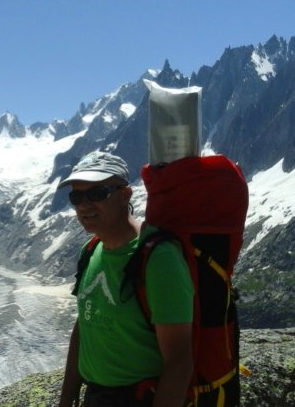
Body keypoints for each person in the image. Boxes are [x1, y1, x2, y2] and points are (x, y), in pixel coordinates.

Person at [57, 151, 194, 407]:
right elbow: (84, 323)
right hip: (96, 396)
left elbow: (180, 362)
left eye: (97, 194)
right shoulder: (90, 250)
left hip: (139, 397)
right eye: (77, 197)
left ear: (125, 195)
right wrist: (67, 395)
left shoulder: (158, 258)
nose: (84, 205)